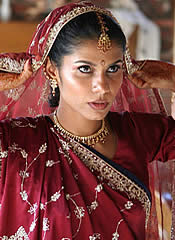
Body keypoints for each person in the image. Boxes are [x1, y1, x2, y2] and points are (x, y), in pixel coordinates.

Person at [0, 1, 175, 239]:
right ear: (52, 71)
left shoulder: (138, 132)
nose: (102, 87)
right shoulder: (17, 143)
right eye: (85, 69)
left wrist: (172, 77)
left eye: (113, 69)